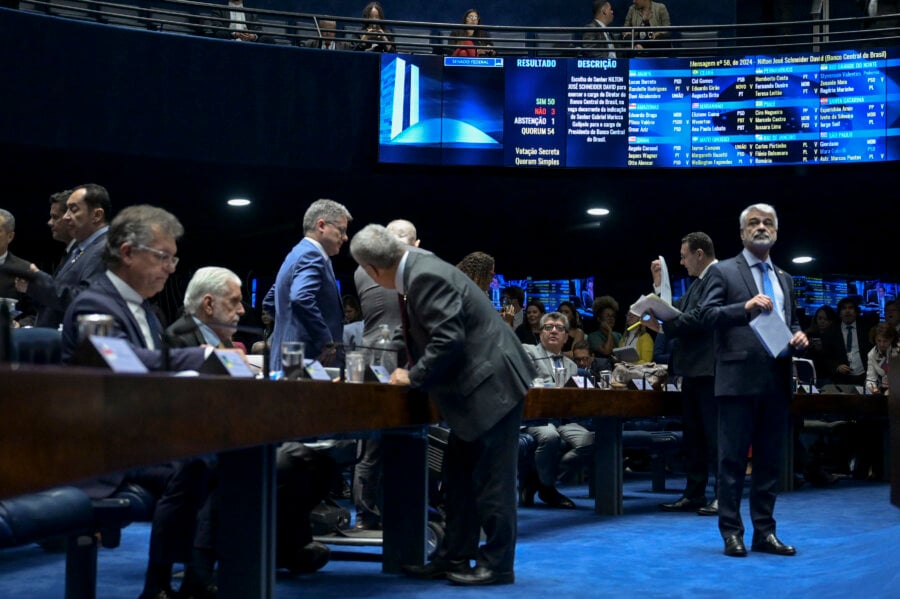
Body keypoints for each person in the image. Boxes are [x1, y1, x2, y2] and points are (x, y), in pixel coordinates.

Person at [350, 224, 534, 586]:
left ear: (372, 272)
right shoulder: (418, 265)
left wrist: (412, 376)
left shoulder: (424, 276)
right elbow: (434, 329)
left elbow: (448, 339)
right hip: (477, 386)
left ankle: (498, 565)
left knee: (491, 480)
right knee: (458, 477)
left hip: (492, 386)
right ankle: (452, 555)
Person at [59, 205, 215, 598]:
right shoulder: (94, 304)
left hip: (146, 433)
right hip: (103, 441)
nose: (170, 268)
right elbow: (125, 363)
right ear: (128, 253)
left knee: (227, 456)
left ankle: (196, 576)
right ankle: (161, 584)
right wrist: (204, 357)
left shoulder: (146, 310)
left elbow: (158, 371)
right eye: (162, 256)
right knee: (197, 464)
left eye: (173, 258)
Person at [166, 267, 333, 585]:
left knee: (319, 464)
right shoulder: (179, 336)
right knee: (277, 459)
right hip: (195, 443)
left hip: (237, 432)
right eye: (235, 302)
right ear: (209, 304)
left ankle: (285, 546)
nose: (243, 310)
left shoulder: (223, 340)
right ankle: (203, 568)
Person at [699, 203, 808, 558]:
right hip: (736, 377)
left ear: (776, 231)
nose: (761, 227)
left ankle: (765, 532)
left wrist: (798, 335)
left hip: (777, 378)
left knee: (769, 461)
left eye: (768, 222)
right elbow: (706, 316)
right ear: (742, 232)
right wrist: (744, 307)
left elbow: (788, 322)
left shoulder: (785, 278)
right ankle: (732, 532)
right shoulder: (724, 271)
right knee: (731, 460)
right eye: (754, 223)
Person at [350, 218, 419, 531]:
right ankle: (370, 513)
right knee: (379, 441)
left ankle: (372, 512)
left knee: (375, 441)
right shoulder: (409, 269)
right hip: (394, 358)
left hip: (374, 356)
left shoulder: (363, 268)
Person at [650, 232, 719, 516]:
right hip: (692, 370)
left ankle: (724, 495)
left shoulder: (719, 276)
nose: (682, 262)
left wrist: (665, 326)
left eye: (684, 256)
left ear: (699, 254)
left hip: (711, 369)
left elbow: (701, 317)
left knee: (716, 438)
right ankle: (694, 494)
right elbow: (676, 312)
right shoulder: (696, 283)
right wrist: (658, 288)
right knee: (694, 437)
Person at [268, 199, 352, 370]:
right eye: (341, 230)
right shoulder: (311, 255)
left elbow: (269, 301)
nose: (345, 237)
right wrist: (325, 341)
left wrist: (288, 329)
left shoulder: (296, 253)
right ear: (321, 225)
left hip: (288, 358)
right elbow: (301, 297)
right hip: (306, 361)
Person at [20, 184, 111, 329]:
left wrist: (39, 281)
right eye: (67, 209)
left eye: (73, 210)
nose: (66, 217)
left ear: (97, 215)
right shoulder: (84, 248)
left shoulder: (105, 248)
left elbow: (87, 300)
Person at [519, 311, 579, 509]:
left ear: (566, 337)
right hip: (533, 420)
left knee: (591, 441)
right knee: (550, 437)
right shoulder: (528, 352)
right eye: (548, 327)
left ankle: (537, 479)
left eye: (559, 328)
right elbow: (527, 382)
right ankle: (548, 488)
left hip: (562, 420)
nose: (553, 331)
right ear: (540, 333)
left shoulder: (572, 366)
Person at [167, 266, 246, 349]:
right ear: (208, 304)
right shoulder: (176, 340)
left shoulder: (222, 337)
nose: (242, 310)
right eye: (233, 301)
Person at [822, 296, 873, 386]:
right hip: (842, 378)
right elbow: (826, 357)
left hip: (865, 376)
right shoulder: (830, 332)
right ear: (839, 313)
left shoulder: (867, 329)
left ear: (856, 312)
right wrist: (837, 366)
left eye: (851, 308)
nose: (847, 311)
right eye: (844, 308)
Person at [0, 208, 35, 325]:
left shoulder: (25, 269)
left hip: (10, 338)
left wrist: (19, 325)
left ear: (10, 236)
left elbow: (36, 314)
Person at [803, 305, 838, 384]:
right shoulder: (809, 334)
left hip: (828, 376)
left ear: (831, 321)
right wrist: (807, 347)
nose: (822, 321)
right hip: (809, 375)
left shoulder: (836, 336)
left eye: (826, 319)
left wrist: (822, 350)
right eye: (820, 318)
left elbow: (834, 358)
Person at [866, 322, 899, 395]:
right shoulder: (872, 354)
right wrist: (873, 389)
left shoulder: (898, 350)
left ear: (891, 339)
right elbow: (870, 379)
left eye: (885, 341)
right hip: (884, 391)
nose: (881, 344)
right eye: (879, 341)